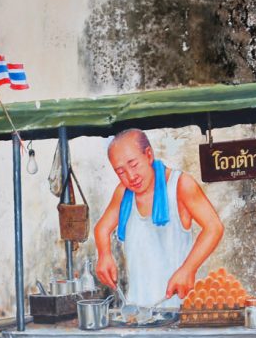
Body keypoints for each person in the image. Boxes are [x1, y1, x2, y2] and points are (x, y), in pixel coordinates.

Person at [93, 129, 224, 307]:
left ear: (148, 155)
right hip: (137, 312)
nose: (131, 177)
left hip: (178, 310)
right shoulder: (123, 193)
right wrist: (104, 255)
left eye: (133, 164)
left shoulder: (180, 185)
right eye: (121, 172)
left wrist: (188, 269)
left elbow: (214, 227)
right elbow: (101, 228)